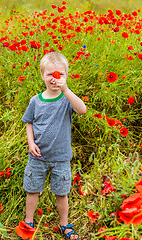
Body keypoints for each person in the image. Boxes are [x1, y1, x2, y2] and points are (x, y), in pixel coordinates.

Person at [21, 52, 86, 240]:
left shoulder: (67, 99)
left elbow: (82, 110)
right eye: (50, 74)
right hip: (38, 156)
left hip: (61, 157)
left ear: (66, 76)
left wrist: (66, 90)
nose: (54, 78)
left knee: (61, 192)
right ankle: (29, 221)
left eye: (60, 74)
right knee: (32, 189)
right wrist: (31, 143)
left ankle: (64, 224)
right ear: (42, 75)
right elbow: (29, 123)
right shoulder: (36, 101)